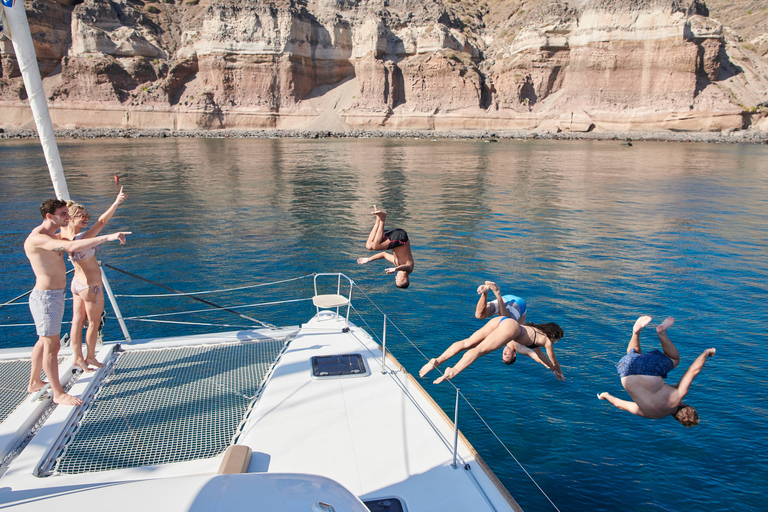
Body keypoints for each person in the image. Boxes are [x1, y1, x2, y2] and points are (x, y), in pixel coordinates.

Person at [24, 199, 130, 405]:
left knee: (43, 341)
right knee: (52, 347)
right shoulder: (39, 239)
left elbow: (77, 237)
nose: (67, 217)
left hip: (54, 295)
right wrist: (107, 237)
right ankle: (58, 393)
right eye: (63, 214)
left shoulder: (51, 235)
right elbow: (71, 245)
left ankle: (34, 381)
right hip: (46, 298)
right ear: (49, 216)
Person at [419, 282, 565, 384]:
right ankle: (453, 371)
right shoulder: (545, 341)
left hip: (502, 321)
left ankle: (437, 360)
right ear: (553, 336)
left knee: (467, 342)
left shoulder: (536, 332)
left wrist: (551, 368)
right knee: (479, 350)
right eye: (555, 340)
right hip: (511, 325)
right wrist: (557, 370)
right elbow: (552, 360)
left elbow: (541, 358)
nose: (553, 343)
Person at [597, 316, 715, 427]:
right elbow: (620, 405)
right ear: (675, 417)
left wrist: (706, 353)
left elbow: (693, 370)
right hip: (625, 371)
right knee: (632, 356)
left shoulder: (678, 395)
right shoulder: (651, 414)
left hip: (649, 371)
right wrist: (606, 396)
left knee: (674, 359)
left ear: (683, 404)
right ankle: (635, 332)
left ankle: (661, 333)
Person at [60, 187, 127, 372]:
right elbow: (102, 222)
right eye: (81, 215)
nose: (86, 218)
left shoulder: (64, 237)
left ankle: (77, 358)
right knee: (93, 323)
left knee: (76, 321)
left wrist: (116, 202)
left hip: (77, 284)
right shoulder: (80, 238)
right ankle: (89, 356)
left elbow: (99, 221)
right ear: (71, 218)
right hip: (91, 286)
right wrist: (116, 202)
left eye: (86, 214)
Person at [356, 206, 414, 289]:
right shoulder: (409, 269)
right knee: (376, 246)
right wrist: (395, 269)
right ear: (405, 279)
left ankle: (378, 219)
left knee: (369, 246)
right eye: (397, 279)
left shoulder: (396, 262)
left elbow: (384, 255)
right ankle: (383, 218)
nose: (395, 278)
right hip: (401, 238)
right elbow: (406, 267)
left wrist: (369, 259)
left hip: (395, 239)